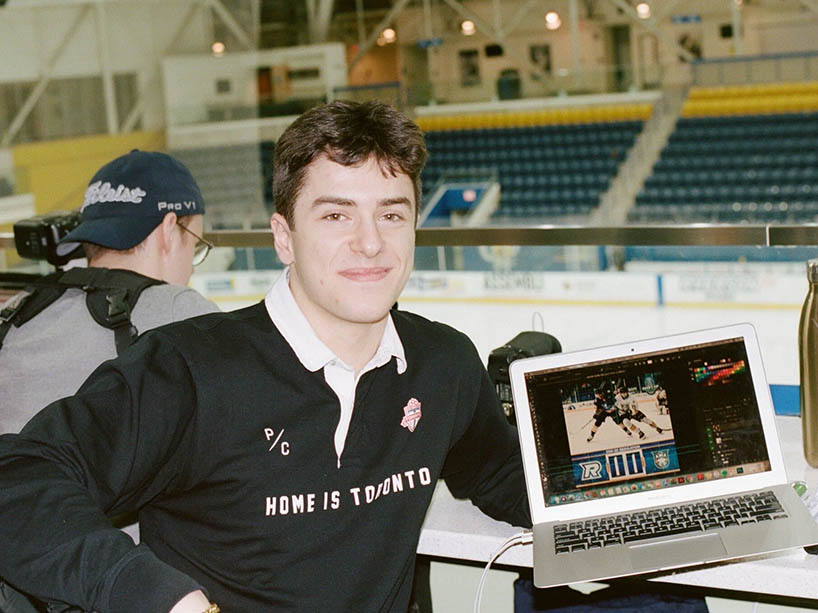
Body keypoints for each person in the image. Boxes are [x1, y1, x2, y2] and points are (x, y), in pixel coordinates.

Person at [0, 101, 529, 612]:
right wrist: (151, 593)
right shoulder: (189, 369)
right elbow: (18, 478)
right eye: (336, 215)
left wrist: (603, 469)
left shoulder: (445, 363)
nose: (370, 243)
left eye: (391, 214)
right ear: (284, 238)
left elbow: (498, 474)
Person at [0, 150, 219, 435]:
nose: (191, 268)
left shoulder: (18, 310)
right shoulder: (182, 311)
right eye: (195, 245)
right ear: (168, 230)